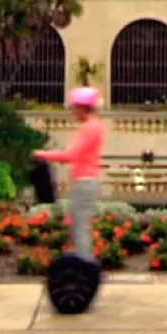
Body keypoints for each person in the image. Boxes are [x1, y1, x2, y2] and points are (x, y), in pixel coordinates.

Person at [33, 86, 105, 263]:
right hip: (86, 181)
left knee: (79, 227)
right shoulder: (94, 126)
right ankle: (84, 265)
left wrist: (42, 154)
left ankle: (85, 267)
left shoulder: (89, 128)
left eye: (75, 107)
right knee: (78, 226)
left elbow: (71, 155)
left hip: (84, 182)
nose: (73, 111)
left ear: (83, 107)